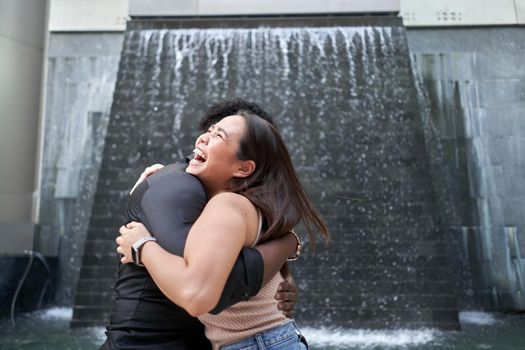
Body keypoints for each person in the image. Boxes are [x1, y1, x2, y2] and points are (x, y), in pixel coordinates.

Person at [117, 99, 329, 349]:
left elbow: (196, 297)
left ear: (244, 168)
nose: (203, 139)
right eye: (208, 131)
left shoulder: (227, 206)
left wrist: (142, 245)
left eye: (219, 135)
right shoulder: (246, 206)